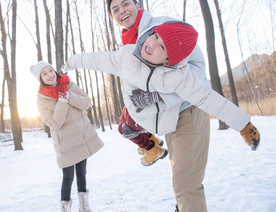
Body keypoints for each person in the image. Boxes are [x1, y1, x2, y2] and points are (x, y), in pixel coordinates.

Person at [62, 21, 260, 211]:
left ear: (168, 61)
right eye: (155, 36)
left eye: (162, 47)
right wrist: (73, 61)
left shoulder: (179, 77)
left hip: (167, 118)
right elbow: (96, 59)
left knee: (182, 179)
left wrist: (243, 124)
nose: (152, 44)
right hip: (139, 115)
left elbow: (209, 98)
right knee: (125, 127)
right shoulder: (127, 56)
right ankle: (150, 147)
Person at [107, 0, 210, 212]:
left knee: (186, 186)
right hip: (167, 118)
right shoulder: (128, 47)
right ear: (112, 17)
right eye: (115, 9)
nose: (121, 11)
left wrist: (159, 96)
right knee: (180, 182)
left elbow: (198, 69)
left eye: (126, 4)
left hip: (188, 110)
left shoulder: (162, 25)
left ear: (138, 5)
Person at [30, 61, 104, 212]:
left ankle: (84, 207)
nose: (50, 75)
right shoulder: (42, 99)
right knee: (68, 178)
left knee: (82, 174)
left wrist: (69, 95)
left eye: (50, 70)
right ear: (41, 79)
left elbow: (86, 103)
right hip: (65, 144)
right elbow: (54, 123)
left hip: (81, 138)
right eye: (44, 74)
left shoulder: (68, 84)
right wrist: (62, 101)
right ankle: (65, 209)